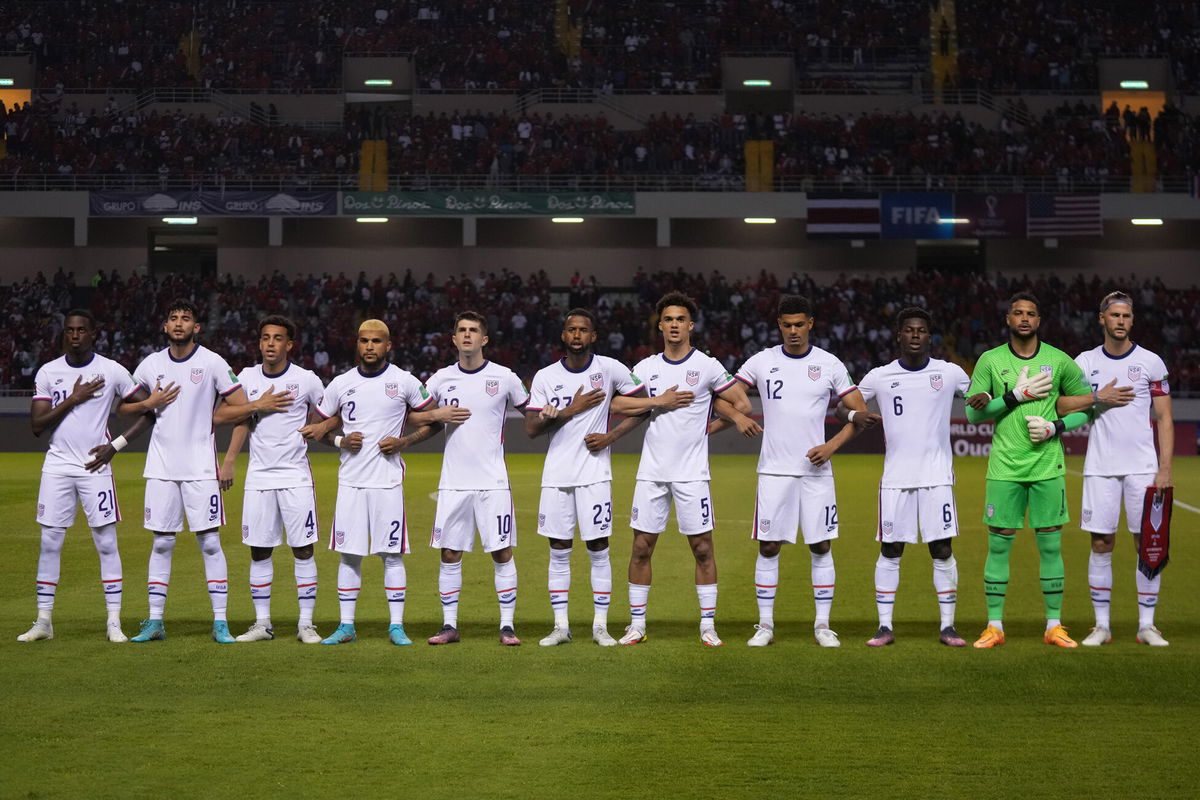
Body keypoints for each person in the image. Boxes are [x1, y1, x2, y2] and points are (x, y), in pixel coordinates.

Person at [964, 292, 1132, 649]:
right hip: (1005, 468)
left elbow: (1085, 408)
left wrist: (1056, 426)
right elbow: (974, 414)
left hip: (1047, 467)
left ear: (1039, 321)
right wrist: (1015, 396)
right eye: (1018, 313)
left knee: (1051, 547)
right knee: (998, 547)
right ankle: (994, 626)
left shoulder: (1059, 361)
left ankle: (1054, 625)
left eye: (1031, 313)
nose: (1024, 318)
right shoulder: (990, 361)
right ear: (1008, 319)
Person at [525, 308, 687, 647]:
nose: (577, 335)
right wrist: (569, 409)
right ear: (563, 335)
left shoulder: (610, 368)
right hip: (556, 476)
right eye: (572, 330)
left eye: (584, 330)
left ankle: (600, 625)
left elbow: (643, 406)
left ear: (593, 336)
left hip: (595, 475)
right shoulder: (544, 377)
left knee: (598, 548)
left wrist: (610, 437)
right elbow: (530, 429)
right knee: (558, 550)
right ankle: (560, 626)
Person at [124, 299, 284, 644]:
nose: (179, 323)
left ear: (196, 327)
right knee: (162, 543)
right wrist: (147, 404)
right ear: (165, 327)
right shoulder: (150, 365)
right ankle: (155, 622)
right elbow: (123, 404)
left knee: (210, 543)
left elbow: (240, 409)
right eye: (173, 318)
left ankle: (221, 623)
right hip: (161, 468)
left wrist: (228, 458)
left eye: (186, 319)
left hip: (200, 469)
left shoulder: (212, 362)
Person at [732, 294, 877, 648]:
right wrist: (738, 415)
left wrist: (831, 446)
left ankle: (823, 625)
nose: (793, 331)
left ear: (810, 323)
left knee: (821, 545)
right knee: (768, 547)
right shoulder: (761, 361)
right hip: (774, 472)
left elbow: (859, 414)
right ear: (778, 325)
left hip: (816, 473)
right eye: (787, 325)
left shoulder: (829, 364)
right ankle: (765, 625)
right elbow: (725, 394)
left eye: (799, 324)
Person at [617, 292, 758, 647]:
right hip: (652, 473)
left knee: (702, 549)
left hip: (692, 474)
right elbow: (619, 402)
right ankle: (636, 624)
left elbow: (740, 402)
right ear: (660, 326)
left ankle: (707, 625)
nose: (675, 325)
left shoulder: (708, 366)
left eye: (681, 319)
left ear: (690, 326)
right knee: (641, 548)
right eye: (669, 319)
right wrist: (658, 401)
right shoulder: (647, 367)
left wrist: (719, 421)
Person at [299, 319, 452, 646]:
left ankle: (396, 626)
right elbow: (316, 428)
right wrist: (341, 440)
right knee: (349, 555)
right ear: (358, 344)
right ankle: (346, 626)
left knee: (391, 555)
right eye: (364, 341)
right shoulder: (340, 384)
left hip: (387, 483)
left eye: (376, 341)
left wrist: (404, 442)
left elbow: (436, 420)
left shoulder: (405, 381)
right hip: (351, 483)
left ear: (388, 345)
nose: (370, 346)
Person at [18, 309, 168, 643]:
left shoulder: (112, 371)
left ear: (93, 333)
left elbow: (149, 412)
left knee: (105, 541)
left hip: (95, 468)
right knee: (50, 541)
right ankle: (43, 621)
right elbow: (37, 427)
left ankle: (113, 621)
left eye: (81, 330)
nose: (75, 335)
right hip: (56, 467)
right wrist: (74, 398)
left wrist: (115, 445)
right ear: (63, 334)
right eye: (70, 330)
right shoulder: (48, 372)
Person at [840, 308, 971, 647]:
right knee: (891, 549)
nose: (915, 335)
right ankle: (884, 627)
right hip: (895, 479)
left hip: (937, 477)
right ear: (898, 335)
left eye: (922, 330)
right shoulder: (880, 375)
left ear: (930, 336)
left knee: (942, 549)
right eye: (909, 330)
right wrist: (856, 412)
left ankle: (948, 627)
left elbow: (977, 400)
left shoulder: (950, 373)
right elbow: (844, 403)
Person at [1067, 292, 1174, 646]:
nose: (1120, 321)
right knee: (1101, 542)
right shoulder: (1084, 362)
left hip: (1143, 469)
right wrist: (1098, 397)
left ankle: (1146, 625)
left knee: (1147, 543)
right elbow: (1062, 402)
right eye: (1114, 315)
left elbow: (1164, 418)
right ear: (1102, 319)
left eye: (1126, 316)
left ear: (1132, 320)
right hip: (1100, 468)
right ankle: (1102, 626)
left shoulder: (1150, 362)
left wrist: (1165, 469)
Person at [418, 311, 530, 646]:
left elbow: (534, 413)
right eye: (461, 330)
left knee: (501, 552)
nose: (467, 335)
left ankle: (507, 626)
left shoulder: (505, 377)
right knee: (450, 553)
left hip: (493, 481)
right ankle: (449, 625)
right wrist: (436, 413)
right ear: (453, 339)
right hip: (453, 482)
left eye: (474, 331)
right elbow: (410, 412)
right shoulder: (440, 379)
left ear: (484, 339)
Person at [217, 315, 326, 644]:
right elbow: (223, 415)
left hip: (295, 477)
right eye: (265, 337)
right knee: (259, 551)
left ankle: (306, 624)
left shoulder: (306, 380)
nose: (270, 343)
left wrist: (323, 429)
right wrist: (231, 458)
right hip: (259, 478)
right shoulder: (247, 377)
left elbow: (330, 413)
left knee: (303, 549)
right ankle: (262, 624)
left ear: (289, 345)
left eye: (277, 338)